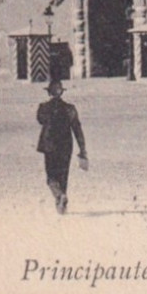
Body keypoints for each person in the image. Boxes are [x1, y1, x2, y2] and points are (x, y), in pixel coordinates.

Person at [36, 78, 88, 213]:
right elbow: (77, 129)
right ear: (61, 93)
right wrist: (82, 149)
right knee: (63, 175)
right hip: (66, 145)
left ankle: (59, 196)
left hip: (50, 145)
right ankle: (62, 203)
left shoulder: (43, 108)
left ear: (49, 92)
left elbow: (40, 120)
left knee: (51, 176)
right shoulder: (70, 109)